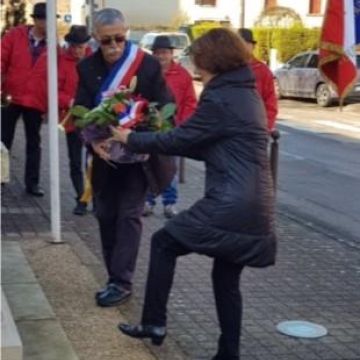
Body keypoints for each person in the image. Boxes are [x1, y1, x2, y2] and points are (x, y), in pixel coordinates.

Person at [110, 28, 277, 360]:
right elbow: (214, 147)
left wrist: (130, 139)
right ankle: (228, 353)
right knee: (226, 278)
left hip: (230, 201)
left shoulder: (221, 96)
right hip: (257, 202)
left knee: (163, 243)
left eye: (198, 60)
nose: (195, 66)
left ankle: (154, 322)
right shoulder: (245, 92)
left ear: (212, 60)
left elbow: (180, 141)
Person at [74, 8, 172, 307]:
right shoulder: (88, 68)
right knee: (105, 215)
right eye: (107, 41)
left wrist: (144, 131)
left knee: (129, 216)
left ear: (126, 32)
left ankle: (121, 281)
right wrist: (93, 142)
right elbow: (81, 109)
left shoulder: (148, 65)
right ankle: (113, 276)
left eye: (119, 38)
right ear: (95, 39)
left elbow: (167, 105)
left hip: (138, 157)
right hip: (105, 156)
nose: (115, 46)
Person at [21, 25, 92, 215]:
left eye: (81, 46)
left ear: (86, 45)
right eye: (74, 46)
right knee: (75, 161)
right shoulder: (62, 62)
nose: (77, 50)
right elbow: (55, 88)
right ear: (69, 45)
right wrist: (68, 101)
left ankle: (98, 199)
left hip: (94, 117)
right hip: (72, 118)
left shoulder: (95, 60)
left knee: (93, 162)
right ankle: (81, 199)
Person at [1, 2, 53, 196]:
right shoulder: (15, 35)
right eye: (43, 19)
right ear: (36, 20)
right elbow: (1, 58)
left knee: (34, 142)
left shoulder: (53, 45)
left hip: (35, 100)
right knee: (3, 139)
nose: (46, 24)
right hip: (11, 95)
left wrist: (49, 104)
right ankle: (1, 177)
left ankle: (32, 183)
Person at [143, 35, 197, 219]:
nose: (161, 56)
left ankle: (170, 203)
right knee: (149, 165)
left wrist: (182, 123)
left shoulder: (182, 75)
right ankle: (148, 201)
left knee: (170, 168)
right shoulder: (147, 73)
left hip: (173, 128)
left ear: (171, 54)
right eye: (157, 53)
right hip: (150, 127)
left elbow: (190, 102)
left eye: (165, 53)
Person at [239, 28, 278, 132]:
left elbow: (270, 101)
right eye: (239, 44)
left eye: (246, 43)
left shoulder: (262, 70)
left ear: (253, 46)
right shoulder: (226, 68)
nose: (243, 47)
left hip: (255, 128)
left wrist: (266, 127)